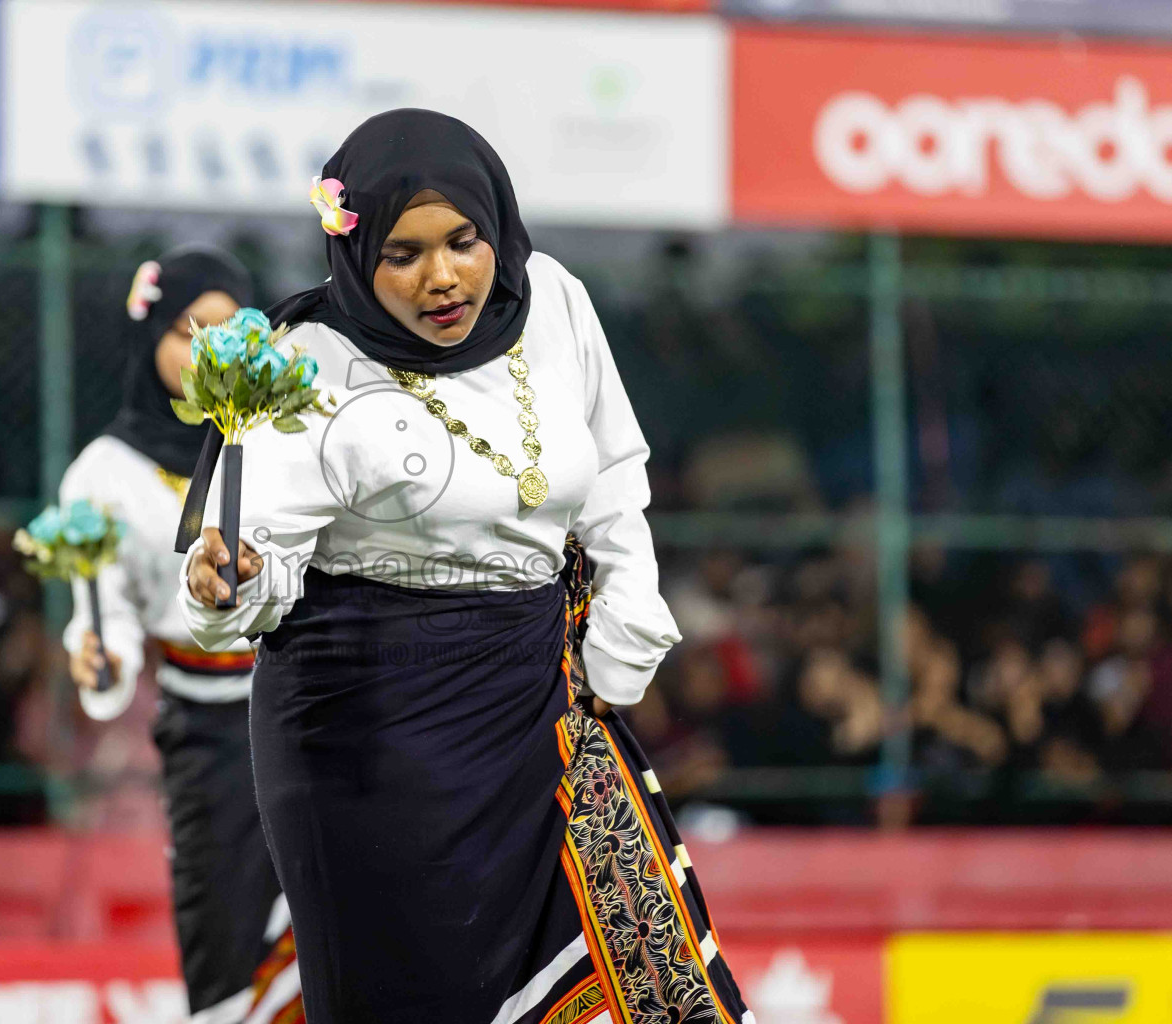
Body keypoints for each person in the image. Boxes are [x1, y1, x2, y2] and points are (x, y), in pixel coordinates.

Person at [179, 110, 751, 1023]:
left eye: (463, 241)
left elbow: (612, 471)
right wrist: (232, 579)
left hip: (541, 700)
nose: (442, 278)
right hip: (368, 737)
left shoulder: (553, 301)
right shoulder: (308, 362)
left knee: (644, 980)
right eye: (401, 254)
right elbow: (253, 570)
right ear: (356, 254)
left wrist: (626, 627)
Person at [60, 245, 292, 1023]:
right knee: (223, 938)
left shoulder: (287, 438)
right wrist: (102, 660)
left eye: (228, 331)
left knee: (342, 924)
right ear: (148, 333)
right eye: (188, 331)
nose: (208, 351)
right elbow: (106, 610)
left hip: (313, 709)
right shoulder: (106, 471)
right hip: (210, 730)